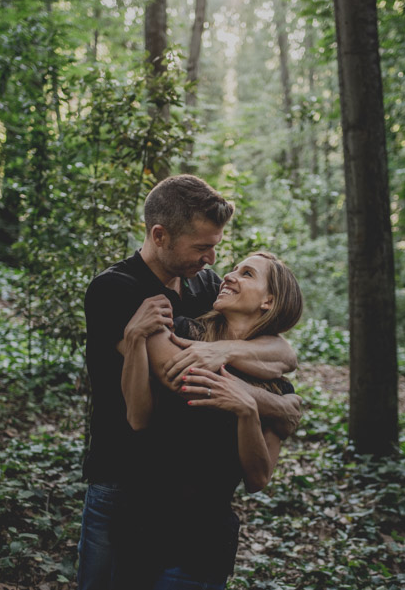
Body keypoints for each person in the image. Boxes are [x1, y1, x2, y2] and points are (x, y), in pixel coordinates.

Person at [78, 175, 302, 590]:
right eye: (202, 246)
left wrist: (226, 352)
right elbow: (179, 376)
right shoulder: (116, 288)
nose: (212, 258)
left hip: (197, 504)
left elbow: (285, 354)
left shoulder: (206, 285)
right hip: (122, 480)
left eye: (215, 245)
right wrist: (273, 407)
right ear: (159, 235)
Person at [121, 251, 304, 589]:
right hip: (139, 525)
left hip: (200, 546)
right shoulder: (181, 333)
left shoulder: (278, 387)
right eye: (233, 269)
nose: (229, 277)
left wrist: (247, 410)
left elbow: (258, 478)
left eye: (246, 273)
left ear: (269, 301)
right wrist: (134, 341)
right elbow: (137, 417)